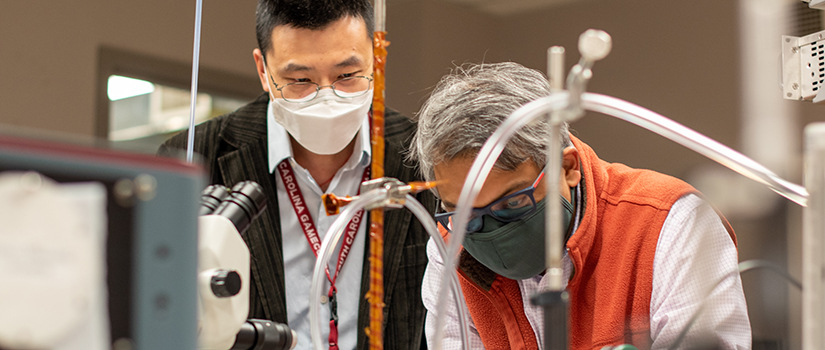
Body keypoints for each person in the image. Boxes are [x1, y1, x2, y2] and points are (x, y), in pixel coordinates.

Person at [409, 62, 751, 349]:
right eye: (469, 214)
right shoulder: (451, 244)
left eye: (513, 202)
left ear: (567, 167)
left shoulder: (671, 223)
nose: (492, 231)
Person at [158, 1, 436, 348]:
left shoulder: (423, 158)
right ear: (263, 70)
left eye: (347, 75)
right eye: (300, 80)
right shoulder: (195, 158)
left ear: (377, 58)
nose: (326, 96)